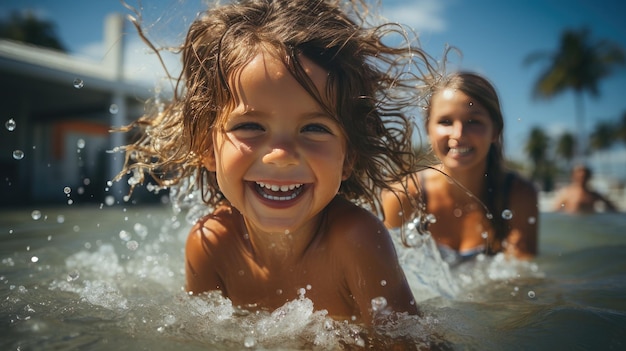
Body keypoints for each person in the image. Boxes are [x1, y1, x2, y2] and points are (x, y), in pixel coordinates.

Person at [118, 0, 436, 325]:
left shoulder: (356, 241)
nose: (281, 154)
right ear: (207, 148)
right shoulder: (210, 244)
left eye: (314, 128)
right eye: (250, 126)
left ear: (348, 157)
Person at [382, 72, 539, 265]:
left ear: (495, 131)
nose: (458, 134)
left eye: (473, 122)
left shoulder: (518, 195)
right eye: (445, 121)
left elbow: (521, 279)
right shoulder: (403, 196)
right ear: (428, 129)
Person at [552, 165, 618, 213]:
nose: (582, 179)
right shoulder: (567, 193)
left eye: (584, 177)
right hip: (571, 224)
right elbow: (556, 209)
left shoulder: (592, 195)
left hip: (588, 224)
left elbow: (612, 207)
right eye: (580, 177)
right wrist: (564, 206)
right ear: (574, 177)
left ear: (589, 177)